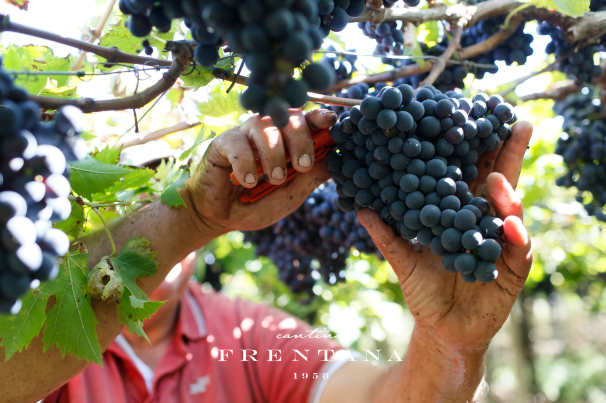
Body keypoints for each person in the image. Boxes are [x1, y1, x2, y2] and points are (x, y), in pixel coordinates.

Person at [0, 108, 533, 403]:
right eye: (139, 200)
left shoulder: (248, 338)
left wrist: (449, 347)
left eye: (169, 184)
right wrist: (187, 216)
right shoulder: (54, 342)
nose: (152, 202)